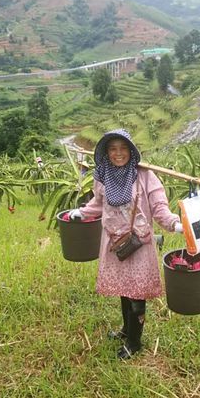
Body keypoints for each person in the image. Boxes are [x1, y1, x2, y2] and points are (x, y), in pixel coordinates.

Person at [69, 129, 183, 359]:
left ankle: (135, 341)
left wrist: (174, 223)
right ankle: (125, 330)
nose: (118, 153)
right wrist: (81, 213)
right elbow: (99, 204)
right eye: (112, 149)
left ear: (131, 150)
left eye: (123, 148)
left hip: (138, 243)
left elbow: (160, 208)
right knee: (124, 288)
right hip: (114, 242)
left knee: (136, 292)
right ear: (106, 152)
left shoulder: (145, 176)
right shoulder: (103, 175)